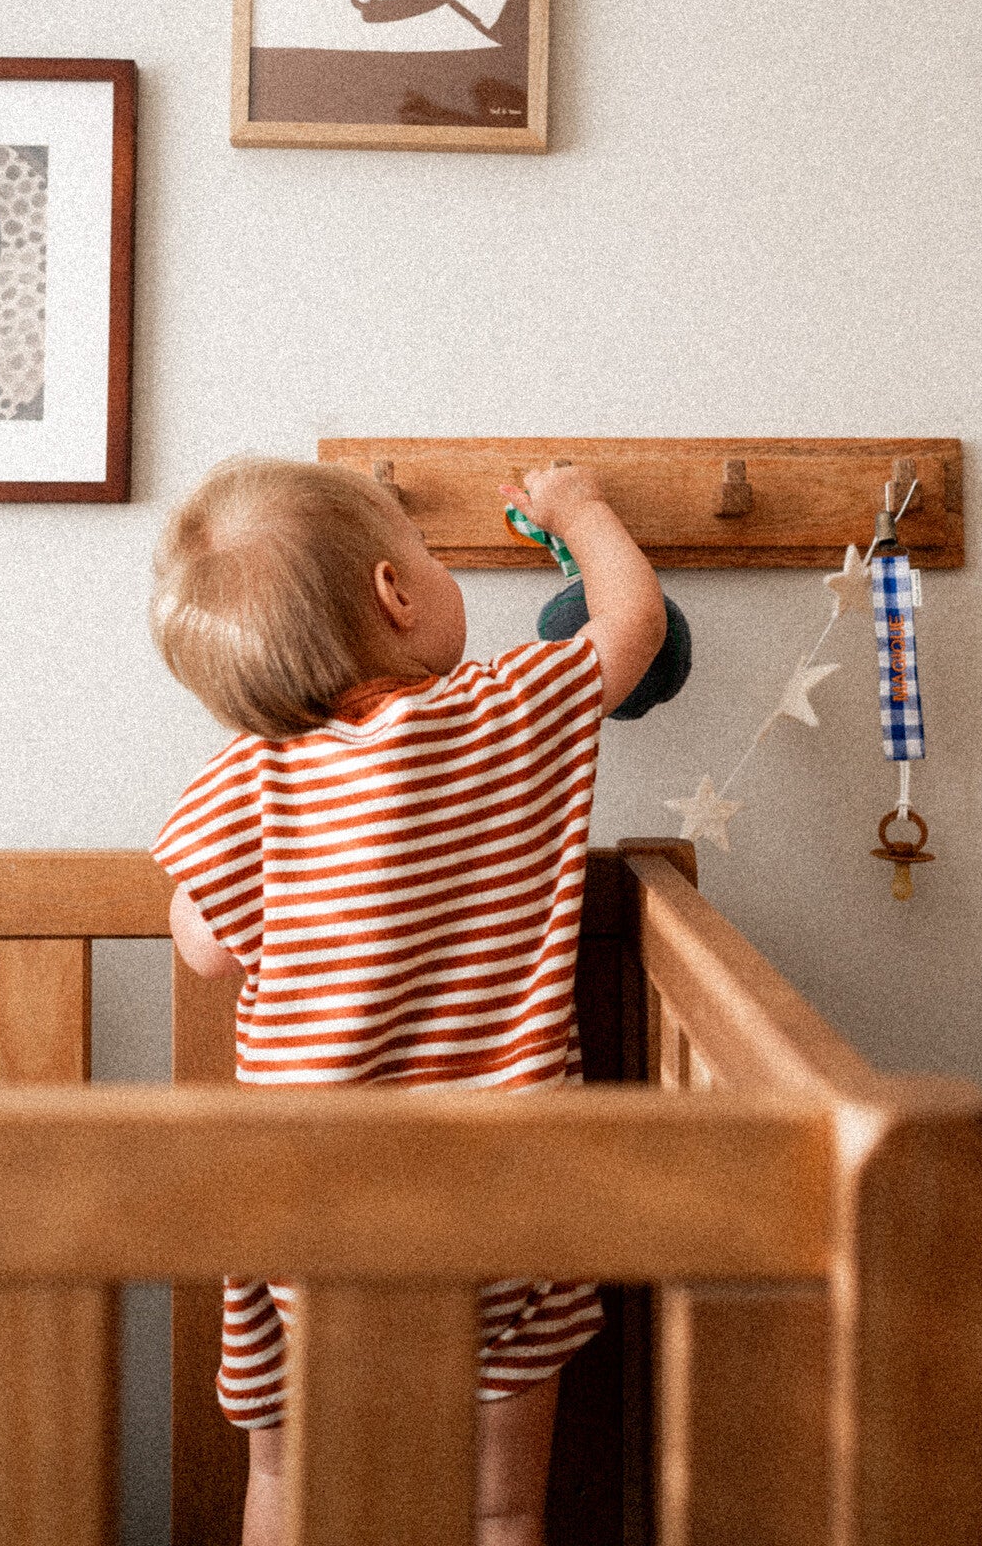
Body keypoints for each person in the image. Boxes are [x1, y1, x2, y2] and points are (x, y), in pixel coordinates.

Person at [150, 456, 666, 1546]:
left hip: (302, 1202)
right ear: (397, 592)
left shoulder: (247, 777)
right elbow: (632, 626)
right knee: (496, 1502)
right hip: (499, 1194)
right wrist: (579, 508)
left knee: (286, 1470)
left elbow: (199, 946)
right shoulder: (501, 714)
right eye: (429, 554)